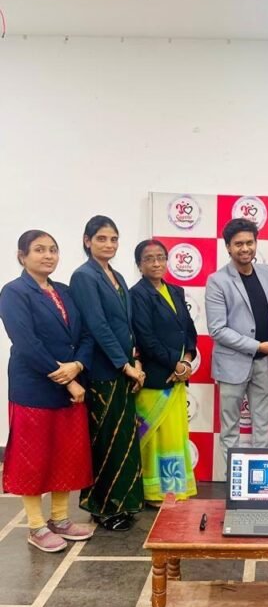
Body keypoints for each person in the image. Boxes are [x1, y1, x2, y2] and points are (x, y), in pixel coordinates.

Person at [0, 230, 94, 552]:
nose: (48, 255)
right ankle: (36, 525)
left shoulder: (64, 291)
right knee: (34, 458)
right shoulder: (14, 292)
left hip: (70, 383)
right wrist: (66, 378)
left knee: (64, 454)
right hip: (34, 387)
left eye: (53, 249)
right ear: (22, 256)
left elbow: (85, 335)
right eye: (39, 250)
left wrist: (78, 366)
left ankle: (60, 519)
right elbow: (27, 343)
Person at [70, 216, 145, 531]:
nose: (109, 244)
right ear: (87, 241)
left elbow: (126, 325)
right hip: (104, 372)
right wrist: (123, 365)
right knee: (105, 441)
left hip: (124, 370)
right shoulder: (84, 276)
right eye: (101, 238)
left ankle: (123, 502)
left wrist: (135, 360)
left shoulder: (117, 275)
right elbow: (97, 326)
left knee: (124, 440)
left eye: (114, 239)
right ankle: (102, 507)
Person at [205, 217, 268, 462]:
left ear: (256, 243)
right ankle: (235, 480)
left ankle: (261, 478)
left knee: (264, 426)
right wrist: (257, 346)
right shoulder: (217, 281)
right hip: (232, 364)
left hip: (264, 363)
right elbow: (217, 330)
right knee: (230, 429)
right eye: (238, 244)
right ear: (228, 247)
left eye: (250, 242)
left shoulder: (266, 272)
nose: (245, 248)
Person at [131, 239, 198, 506]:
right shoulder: (137, 294)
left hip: (177, 378)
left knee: (173, 435)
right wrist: (175, 365)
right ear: (139, 265)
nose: (156, 263)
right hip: (155, 378)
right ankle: (152, 493)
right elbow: (145, 338)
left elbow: (189, 330)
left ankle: (173, 488)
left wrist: (187, 360)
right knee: (155, 438)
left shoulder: (176, 291)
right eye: (149, 259)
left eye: (160, 257)